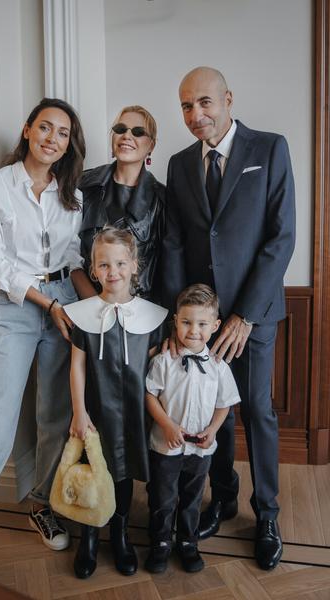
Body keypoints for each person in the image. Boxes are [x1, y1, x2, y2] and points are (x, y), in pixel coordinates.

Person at [0, 97, 94, 567]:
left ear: (69, 145)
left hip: (65, 303)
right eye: (45, 127)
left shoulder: (72, 195)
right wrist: (46, 303)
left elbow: (73, 261)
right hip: (16, 307)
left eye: (63, 133)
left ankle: (42, 506)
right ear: (27, 130)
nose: (52, 139)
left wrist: (95, 310)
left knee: (54, 417)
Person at [162, 67, 296, 571]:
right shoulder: (179, 164)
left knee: (256, 410)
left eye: (205, 102)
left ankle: (267, 515)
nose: (196, 114)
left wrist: (244, 315)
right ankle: (222, 498)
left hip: (254, 315)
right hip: (201, 322)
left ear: (228, 99)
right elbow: (176, 244)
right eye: (186, 106)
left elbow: (281, 237)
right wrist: (180, 322)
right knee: (209, 409)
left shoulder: (270, 148)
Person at [65, 227, 167, 579]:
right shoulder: (83, 315)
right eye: (104, 265)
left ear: (134, 265)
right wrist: (79, 412)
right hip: (95, 412)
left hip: (135, 414)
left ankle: (120, 533)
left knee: (124, 471)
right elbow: (77, 367)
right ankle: (90, 535)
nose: (113, 272)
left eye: (121, 263)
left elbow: (156, 369)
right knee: (94, 469)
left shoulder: (152, 317)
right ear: (93, 270)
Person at [145, 284, 241, 574]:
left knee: (192, 497)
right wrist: (167, 425)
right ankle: (160, 542)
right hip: (166, 445)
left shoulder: (218, 367)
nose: (194, 331)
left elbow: (224, 404)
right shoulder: (164, 361)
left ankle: (188, 542)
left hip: (200, 449)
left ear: (215, 326)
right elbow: (149, 396)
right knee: (163, 497)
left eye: (201, 324)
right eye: (186, 322)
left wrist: (213, 429)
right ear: (175, 321)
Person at [79, 105, 165, 301]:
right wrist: (92, 303)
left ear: (151, 146)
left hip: (139, 309)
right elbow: (68, 253)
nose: (127, 136)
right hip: (84, 304)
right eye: (120, 129)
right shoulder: (83, 185)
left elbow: (167, 268)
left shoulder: (162, 199)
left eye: (138, 132)